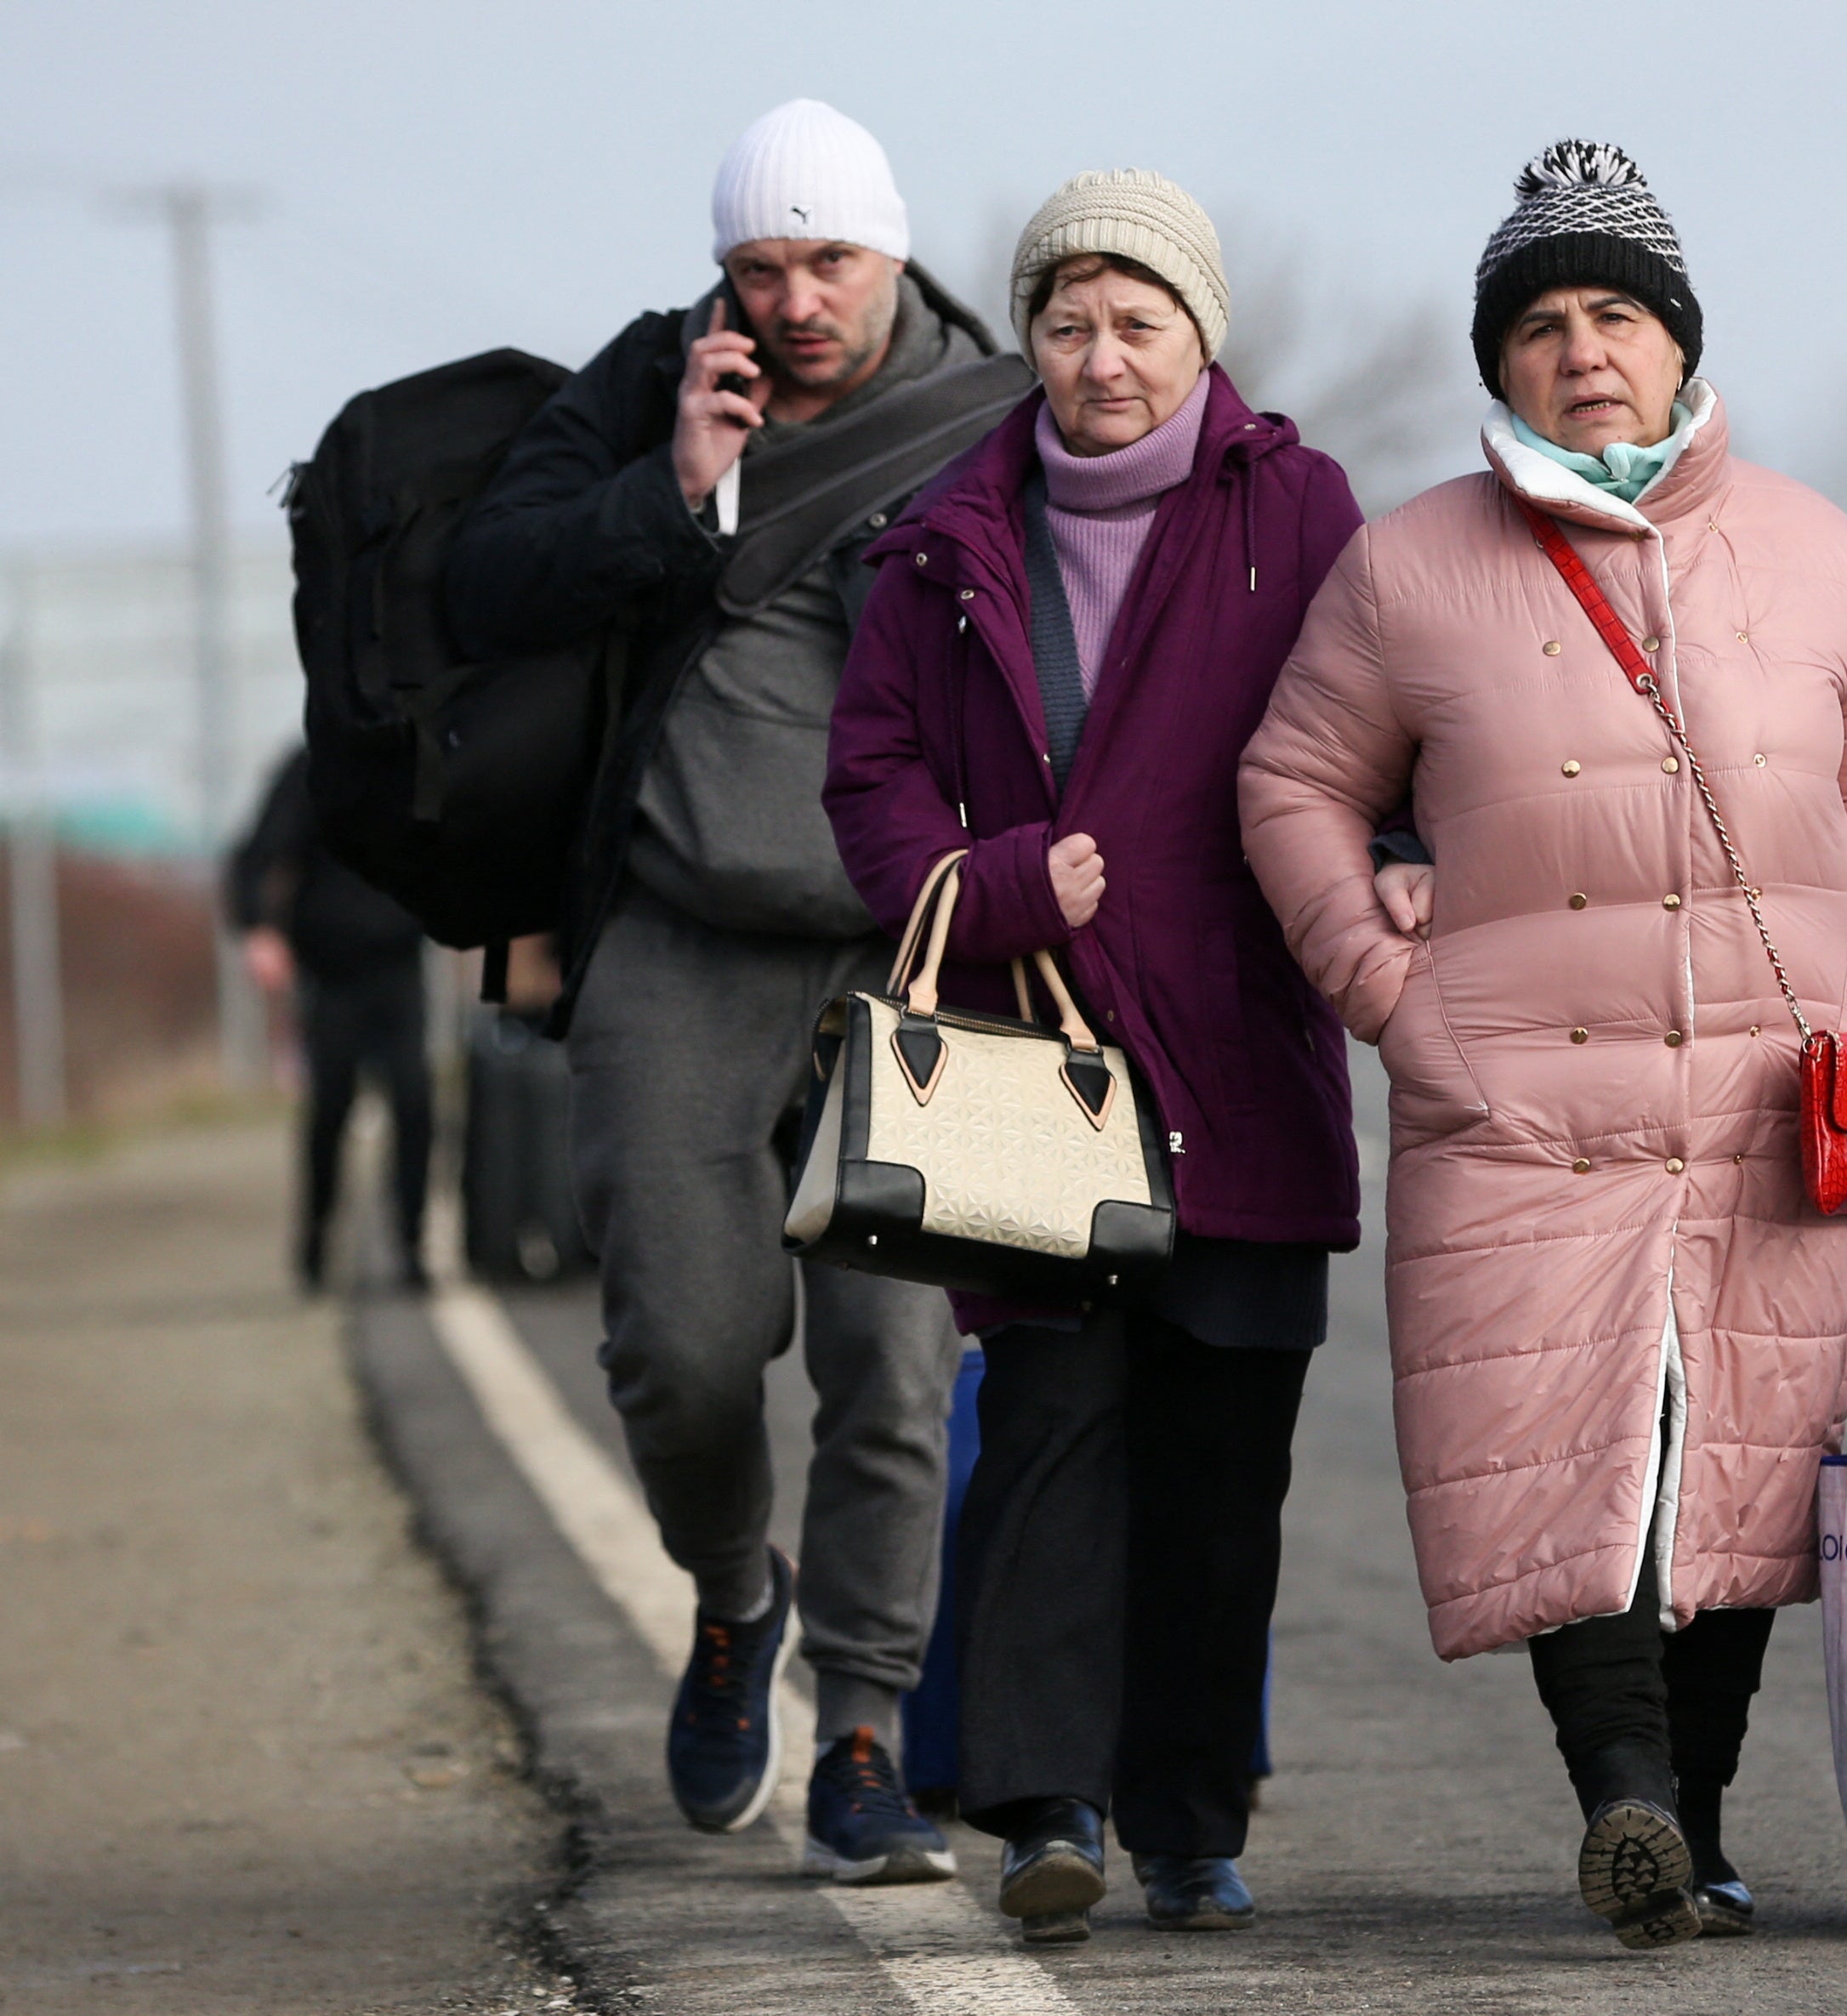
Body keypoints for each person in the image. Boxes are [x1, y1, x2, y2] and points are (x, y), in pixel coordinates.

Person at [1239, 139, 1847, 1950]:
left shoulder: (1820, 558)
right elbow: (1289, 784)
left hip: (1775, 1106)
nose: (1581, 350)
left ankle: (1700, 1820)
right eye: (1538, 324)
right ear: (1495, 363)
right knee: (1579, 1470)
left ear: (1676, 341)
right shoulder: (1409, 569)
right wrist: (1381, 987)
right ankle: (1625, 1802)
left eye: (1613, 315)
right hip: (1519, 1110)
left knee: (1734, 1473)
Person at [443, 99, 1031, 1885]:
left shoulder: (1001, 414)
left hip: (914, 947)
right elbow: (487, 581)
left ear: (892, 249)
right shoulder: (647, 382)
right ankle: (728, 1597)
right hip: (681, 931)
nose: (792, 302)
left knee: (894, 1369)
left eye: (827, 261)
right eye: (758, 267)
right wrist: (673, 491)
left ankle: (858, 1736)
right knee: (681, 1352)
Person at [822, 170, 1362, 1946]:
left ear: (1201, 336)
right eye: (1065, 321)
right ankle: (1050, 1810)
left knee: (1220, 1477)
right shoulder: (944, 531)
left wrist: (1406, 856)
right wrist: (981, 886)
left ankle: (1193, 1821)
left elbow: (1387, 724)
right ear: (1027, 340)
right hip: (1033, 1067)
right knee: (1049, 1438)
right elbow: (873, 770)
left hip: (1240, 1050)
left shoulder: (1301, 510)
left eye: (1138, 321)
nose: (1099, 357)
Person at [226, 747, 432, 1292]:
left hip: (399, 969)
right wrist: (258, 930)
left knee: (415, 1103)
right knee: (330, 1112)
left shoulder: (416, 759)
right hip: (331, 972)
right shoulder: (312, 765)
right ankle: (316, 1242)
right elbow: (254, 857)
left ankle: (412, 1248)